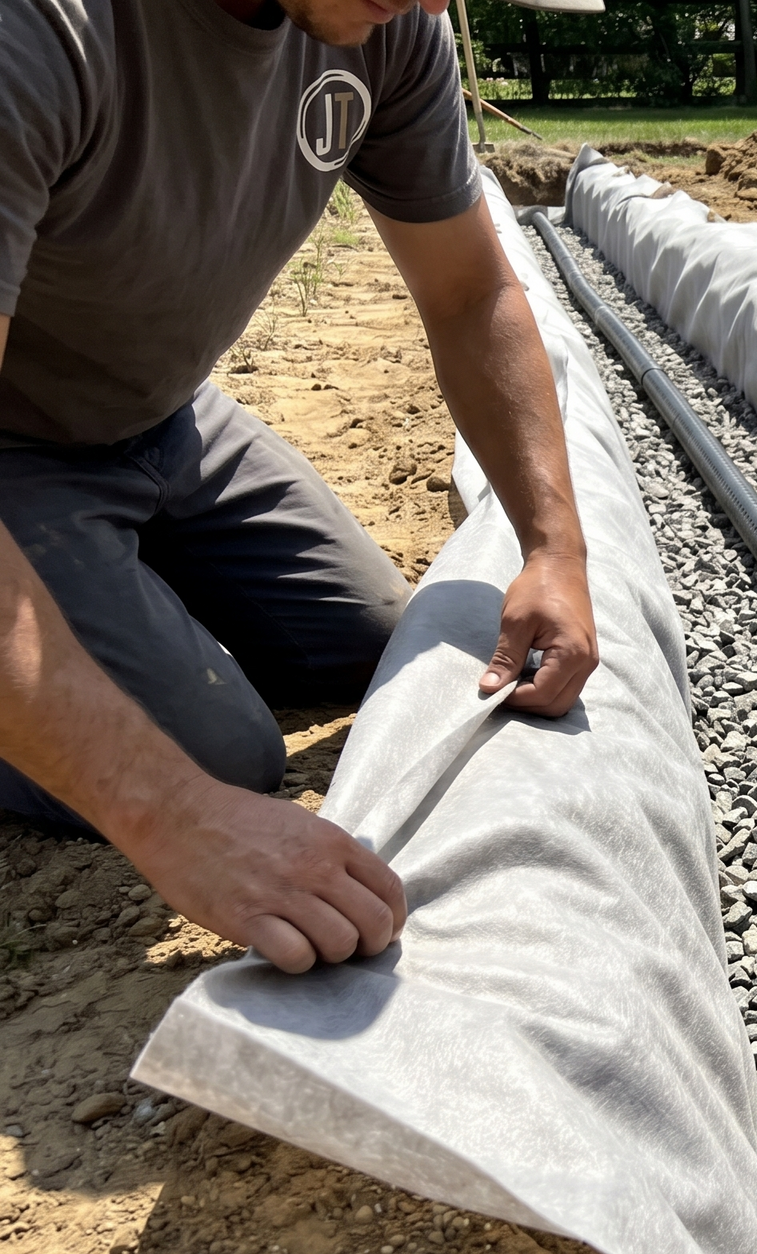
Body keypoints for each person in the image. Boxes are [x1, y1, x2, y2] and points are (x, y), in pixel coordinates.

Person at [0, 0, 599, 971]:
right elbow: (181, 806)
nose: (436, 0)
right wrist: (175, 813)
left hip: (166, 416)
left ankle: (109, 574)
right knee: (217, 758)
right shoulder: (47, 32)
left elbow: (471, 291)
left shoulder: (390, 25)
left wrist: (553, 546)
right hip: (18, 442)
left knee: (370, 642)